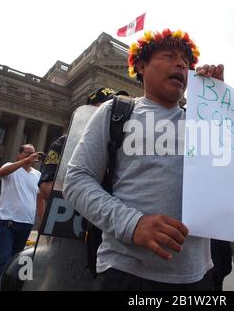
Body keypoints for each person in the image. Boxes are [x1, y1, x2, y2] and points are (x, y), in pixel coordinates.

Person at [63, 29, 224, 290]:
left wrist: (217, 107)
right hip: (126, 272)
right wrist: (132, 223)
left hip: (198, 276)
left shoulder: (202, 122)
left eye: (185, 60)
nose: (181, 64)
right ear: (141, 65)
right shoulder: (115, 112)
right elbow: (76, 179)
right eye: (169, 56)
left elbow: (232, 180)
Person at [37, 87, 122, 221]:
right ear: (89, 110)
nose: (111, 112)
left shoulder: (120, 145)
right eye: (105, 107)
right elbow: (46, 187)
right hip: (72, 223)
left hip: (113, 222)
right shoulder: (63, 143)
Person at [0, 144, 42, 291]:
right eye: (27, 153)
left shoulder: (37, 175)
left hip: (26, 223)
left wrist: (41, 220)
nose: (31, 156)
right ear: (19, 155)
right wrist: (25, 162)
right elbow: (0, 173)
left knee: (17, 262)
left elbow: (39, 200)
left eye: (33, 154)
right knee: (4, 261)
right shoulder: (11, 166)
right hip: (7, 222)